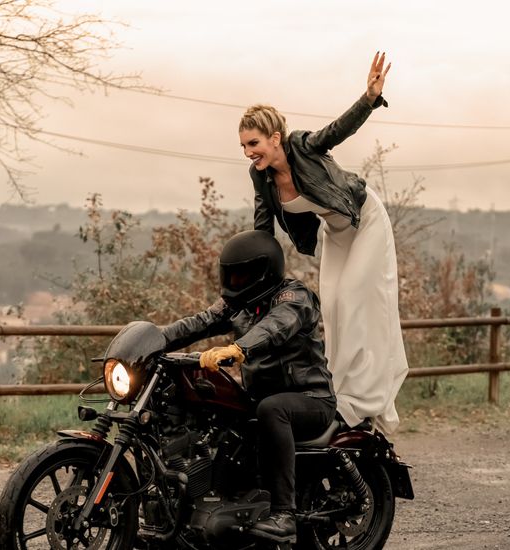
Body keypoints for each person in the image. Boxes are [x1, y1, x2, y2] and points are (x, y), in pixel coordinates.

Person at [237, 52, 408, 434]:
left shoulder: (302, 146)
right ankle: (337, 393)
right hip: (337, 232)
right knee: (329, 305)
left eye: (254, 143)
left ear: (275, 138)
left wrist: (369, 98)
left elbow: (337, 130)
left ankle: (366, 397)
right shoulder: (260, 176)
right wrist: (253, 277)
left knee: (350, 297)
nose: (249, 152)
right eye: (244, 147)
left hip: (365, 220)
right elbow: (263, 229)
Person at [161, 229, 336, 542]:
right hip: (257, 399)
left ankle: (284, 514)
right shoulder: (238, 304)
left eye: (243, 276)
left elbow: (276, 326)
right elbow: (199, 322)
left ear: (264, 272)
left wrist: (239, 348)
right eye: (232, 275)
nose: (236, 282)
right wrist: (155, 338)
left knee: (273, 409)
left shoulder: (295, 297)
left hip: (309, 399)